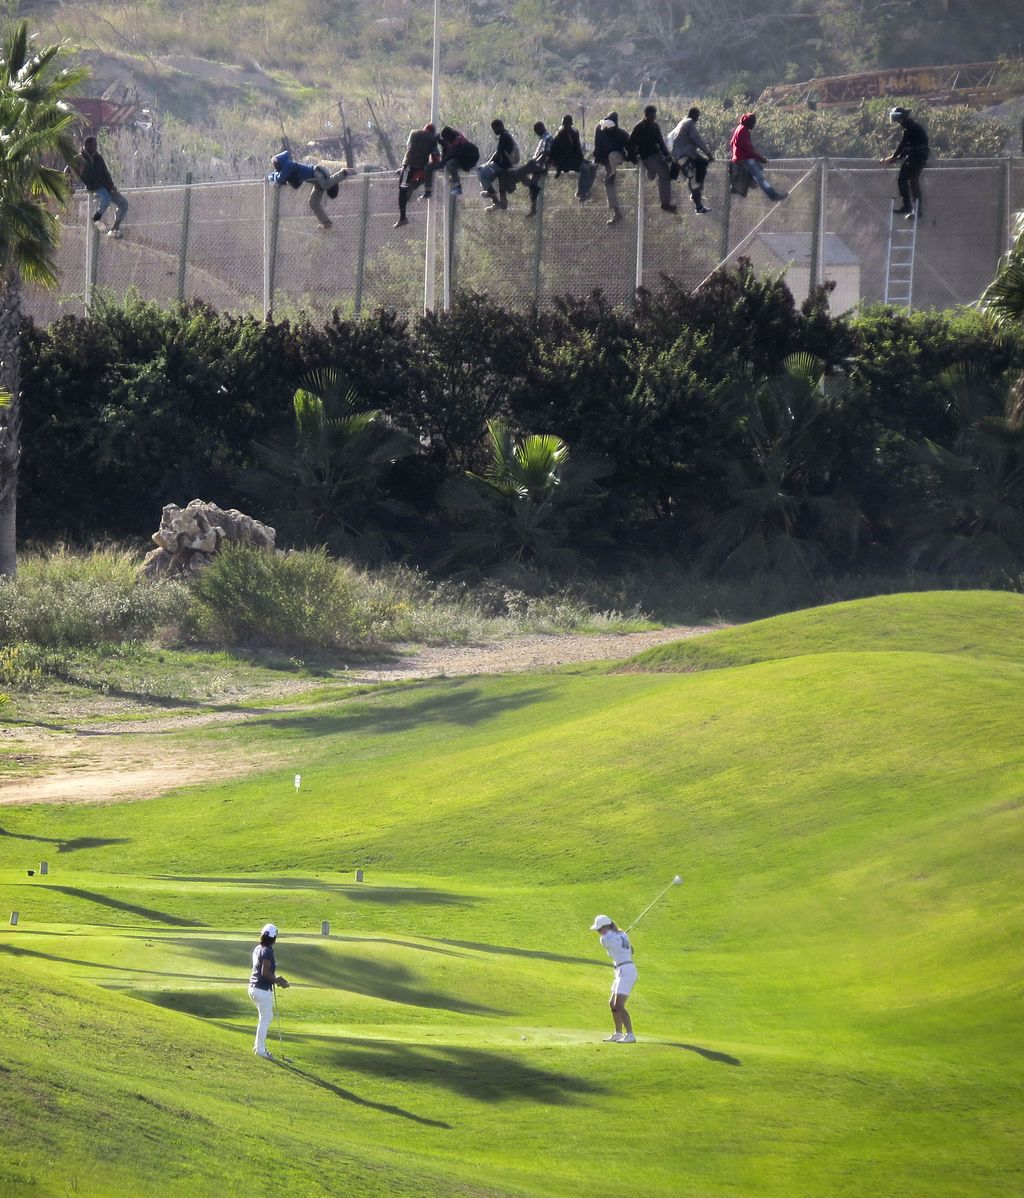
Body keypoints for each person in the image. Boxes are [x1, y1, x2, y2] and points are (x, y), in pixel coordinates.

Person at [268, 145, 348, 229]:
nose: (275, 165)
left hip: (317, 173)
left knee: (325, 185)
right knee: (313, 203)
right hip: (315, 181)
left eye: (275, 163)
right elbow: (276, 175)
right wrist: (271, 176)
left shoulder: (288, 165)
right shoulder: (285, 168)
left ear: (280, 161)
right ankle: (326, 222)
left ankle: (344, 173)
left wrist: (272, 177)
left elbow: (279, 178)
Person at [591, 915, 637, 1043]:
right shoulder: (622, 935)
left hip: (627, 971)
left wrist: (618, 937)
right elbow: (632, 950)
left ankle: (630, 1035)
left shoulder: (605, 939)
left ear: (607, 927)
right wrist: (621, 937)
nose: (598, 933)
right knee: (612, 1003)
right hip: (621, 970)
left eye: (599, 930)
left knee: (619, 1005)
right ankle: (618, 1033)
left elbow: (607, 942)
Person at [249, 922, 289, 1059]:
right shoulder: (268, 951)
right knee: (265, 1019)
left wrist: (275, 977)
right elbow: (265, 972)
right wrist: (278, 980)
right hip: (262, 989)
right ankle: (260, 1050)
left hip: (253, 988)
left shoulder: (258, 948)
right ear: (274, 938)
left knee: (266, 1017)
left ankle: (259, 1047)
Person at [74, 136, 129, 238]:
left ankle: (115, 229)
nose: (96, 147)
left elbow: (105, 172)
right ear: (87, 145)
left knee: (124, 204)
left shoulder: (98, 157)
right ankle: (96, 218)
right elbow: (68, 171)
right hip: (94, 186)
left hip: (106, 185)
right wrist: (71, 184)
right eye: (94, 145)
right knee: (106, 199)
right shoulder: (80, 159)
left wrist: (111, 186)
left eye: (96, 145)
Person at [882, 107, 929, 220]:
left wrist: (893, 157)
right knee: (913, 181)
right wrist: (895, 158)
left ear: (902, 117)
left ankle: (907, 206)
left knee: (902, 178)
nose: (897, 122)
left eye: (897, 119)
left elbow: (903, 144)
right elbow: (907, 147)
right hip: (918, 156)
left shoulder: (910, 127)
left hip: (916, 156)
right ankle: (917, 211)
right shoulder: (911, 126)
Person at [729, 113, 786, 202]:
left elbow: (732, 143)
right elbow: (750, 150)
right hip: (745, 159)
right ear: (749, 122)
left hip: (740, 158)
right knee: (761, 179)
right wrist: (762, 159)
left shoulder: (739, 128)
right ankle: (773, 195)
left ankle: (750, 181)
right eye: (753, 123)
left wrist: (735, 154)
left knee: (759, 168)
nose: (754, 125)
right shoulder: (744, 131)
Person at [628, 105, 676, 213]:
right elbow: (630, 143)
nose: (654, 117)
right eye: (652, 114)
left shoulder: (655, 126)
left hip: (657, 155)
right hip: (647, 157)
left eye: (655, 114)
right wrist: (633, 157)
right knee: (665, 174)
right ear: (647, 115)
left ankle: (651, 173)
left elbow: (660, 142)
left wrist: (667, 155)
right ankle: (665, 203)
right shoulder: (639, 127)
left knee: (664, 172)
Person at [668, 107, 714, 215]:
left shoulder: (682, 122)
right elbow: (697, 139)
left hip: (682, 153)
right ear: (695, 115)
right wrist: (709, 153)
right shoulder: (689, 123)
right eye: (698, 116)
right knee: (693, 177)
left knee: (703, 163)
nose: (698, 118)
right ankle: (698, 205)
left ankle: (698, 190)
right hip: (683, 155)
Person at [396, 123, 440, 227]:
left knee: (402, 189)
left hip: (408, 166)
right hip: (420, 167)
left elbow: (409, 147)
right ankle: (414, 184)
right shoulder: (433, 140)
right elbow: (435, 158)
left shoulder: (414, 133)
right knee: (428, 173)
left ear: (423, 129)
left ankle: (403, 217)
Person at [593, 111, 632, 225]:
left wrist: (631, 157)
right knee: (607, 182)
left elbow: (631, 147)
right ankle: (616, 212)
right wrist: (597, 160)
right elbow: (597, 146)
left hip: (616, 156)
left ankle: (612, 173)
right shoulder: (599, 129)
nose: (607, 130)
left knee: (612, 158)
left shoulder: (621, 134)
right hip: (605, 160)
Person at [510, 121, 555, 217]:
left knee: (518, 172)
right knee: (532, 189)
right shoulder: (543, 139)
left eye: (536, 131)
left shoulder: (547, 138)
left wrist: (536, 161)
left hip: (539, 165)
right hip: (539, 165)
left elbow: (546, 153)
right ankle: (533, 209)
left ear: (540, 129)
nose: (536, 133)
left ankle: (531, 187)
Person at [422, 126, 480, 200]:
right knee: (429, 167)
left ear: (449, 139)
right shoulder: (452, 138)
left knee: (449, 164)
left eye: (446, 140)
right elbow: (444, 142)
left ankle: (458, 186)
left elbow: (445, 160)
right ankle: (428, 191)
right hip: (460, 158)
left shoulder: (458, 145)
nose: (445, 141)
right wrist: (438, 139)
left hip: (468, 160)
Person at [549, 114, 596, 203]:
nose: (565, 126)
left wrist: (581, 159)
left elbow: (577, 148)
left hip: (575, 159)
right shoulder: (559, 135)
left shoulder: (574, 133)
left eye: (567, 124)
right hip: (565, 161)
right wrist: (555, 165)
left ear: (571, 124)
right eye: (564, 124)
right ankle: (581, 193)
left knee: (593, 167)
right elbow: (553, 152)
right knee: (585, 169)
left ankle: (586, 191)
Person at [477, 119, 519, 211]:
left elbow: (497, 153)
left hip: (502, 165)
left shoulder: (504, 136)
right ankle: (490, 191)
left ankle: (495, 200)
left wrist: (487, 163)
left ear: (499, 126)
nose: (494, 131)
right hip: (502, 164)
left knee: (481, 172)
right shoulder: (507, 135)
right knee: (484, 175)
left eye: (494, 129)